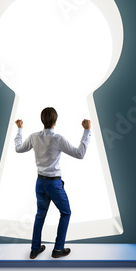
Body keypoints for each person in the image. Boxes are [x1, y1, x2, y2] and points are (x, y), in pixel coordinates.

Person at [14, 107, 92, 259]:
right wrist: (87, 131)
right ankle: (58, 249)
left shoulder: (34, 137)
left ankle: (35, 249)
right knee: (66, 212)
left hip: (40, 183)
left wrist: (20, 129)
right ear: (55, 122)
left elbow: (18, 149)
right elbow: (80, 154)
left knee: (40, 214)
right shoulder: (58, 139)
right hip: (54, 184)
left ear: (42, 121)